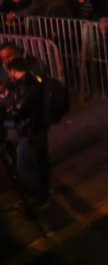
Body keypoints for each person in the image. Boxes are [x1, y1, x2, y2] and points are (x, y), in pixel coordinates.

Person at [0, 57, 51, 207]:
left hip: (29, 132)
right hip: (38, 129)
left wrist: (4, 107)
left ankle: (37, 197)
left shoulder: (27, 87)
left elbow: (17, 110)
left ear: (13, 71)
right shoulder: (32, 81)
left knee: (25, 166)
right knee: (41, 162)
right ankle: (44, 194)